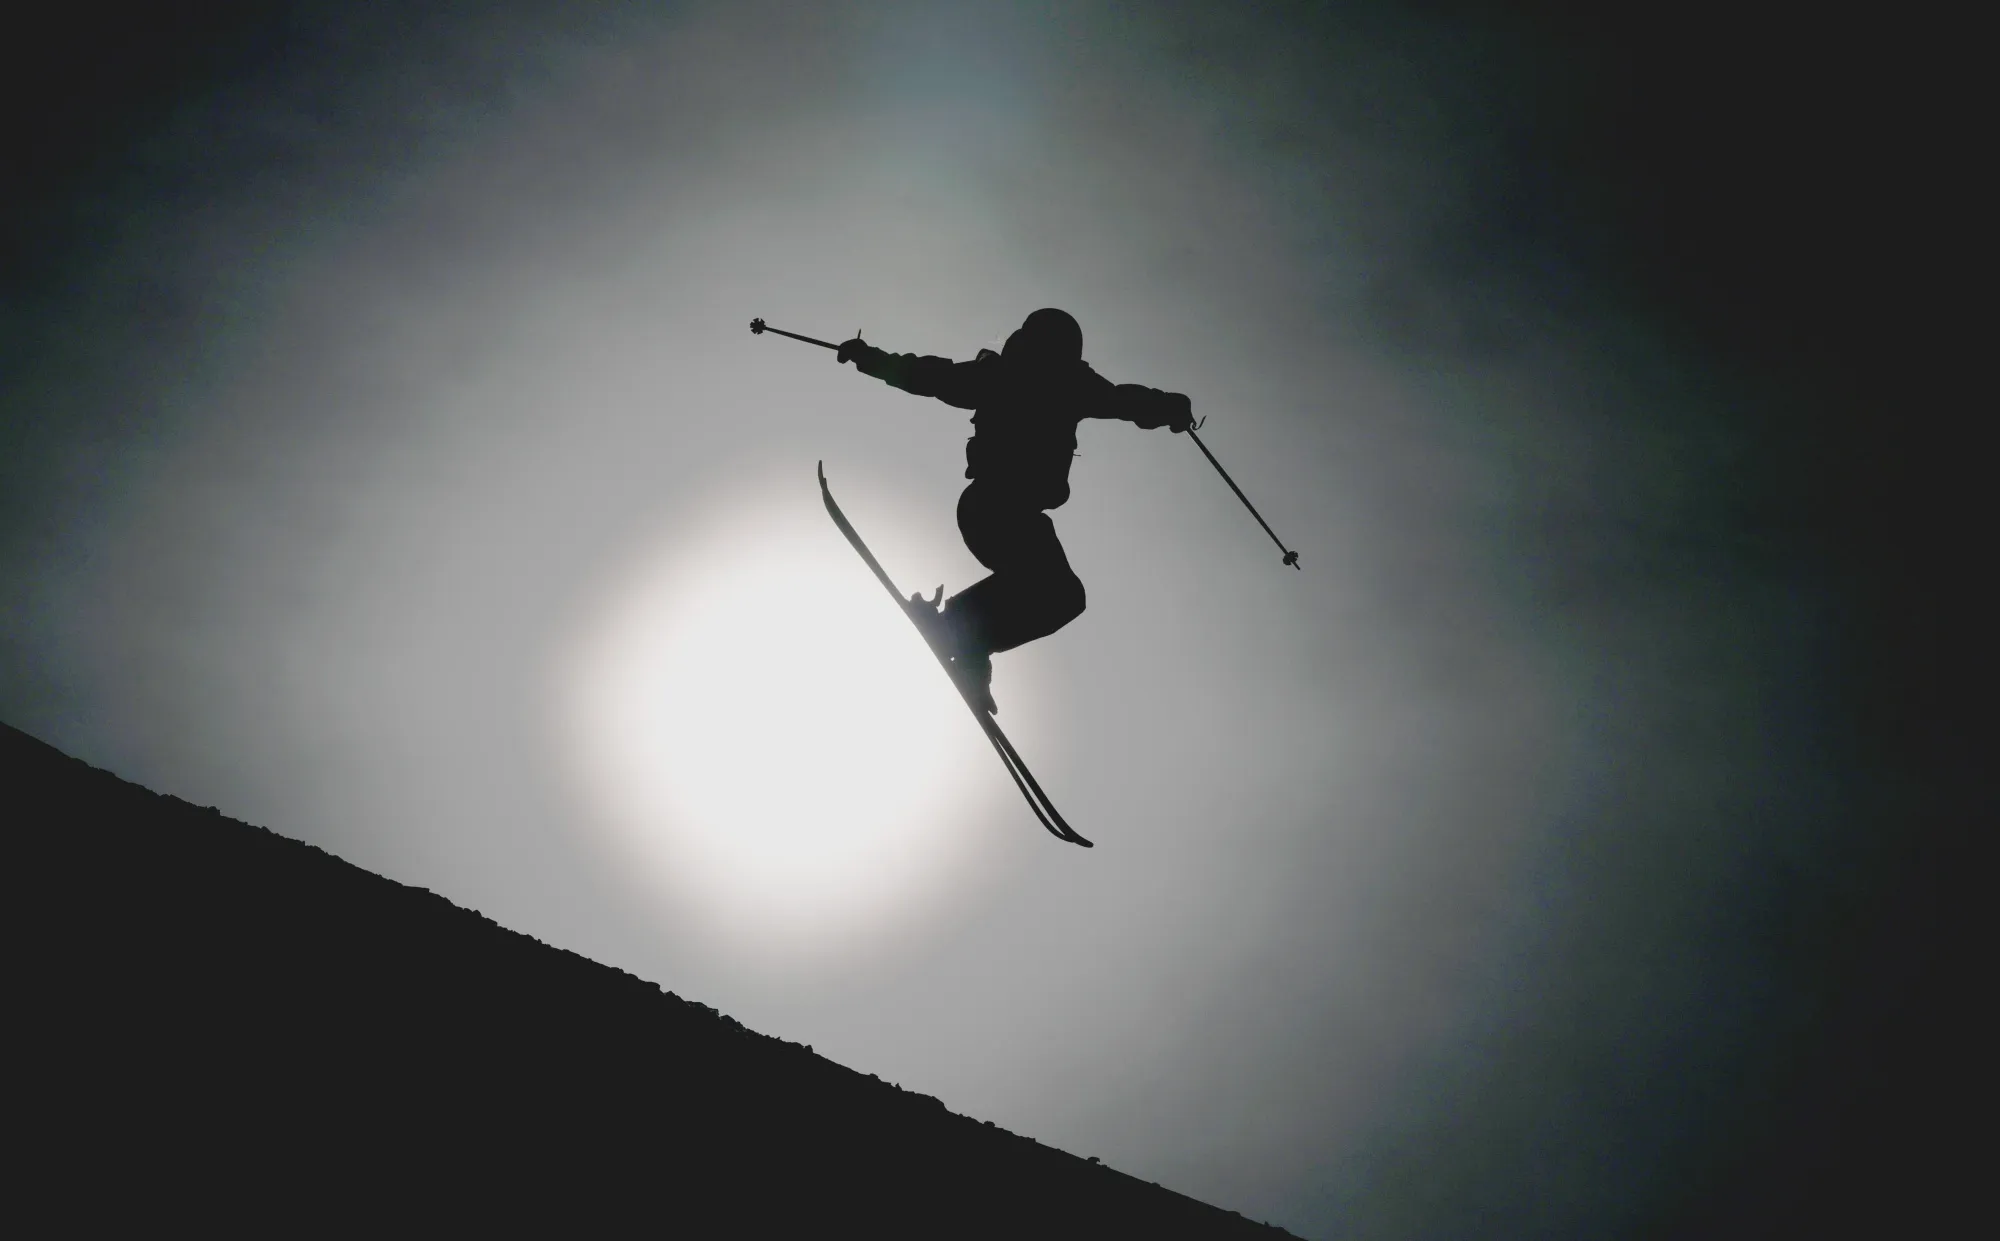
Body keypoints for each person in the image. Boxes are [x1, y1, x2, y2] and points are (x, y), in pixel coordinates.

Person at [837, 308, 1195, 714]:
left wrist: (1169, 408)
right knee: (1044, 586)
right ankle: (958, 627)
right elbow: (932, 377)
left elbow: (1123, 400)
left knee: (1065, 598)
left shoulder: (1067, 383)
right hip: (992, 505)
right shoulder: (1009, 376)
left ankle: (970, 641)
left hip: (1022, 515)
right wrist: (871, 359)